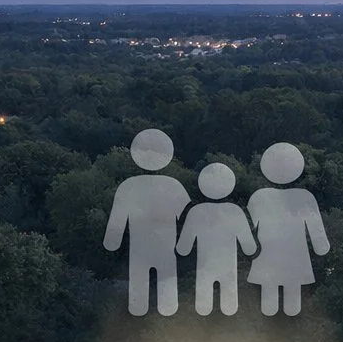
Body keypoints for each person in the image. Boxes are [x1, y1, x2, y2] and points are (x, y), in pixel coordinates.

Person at [104, 128, 189, 316]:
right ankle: (164, 319)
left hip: (140, 249)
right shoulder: (173, 185)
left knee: (138, 296)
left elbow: (116, 224)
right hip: (165, 247)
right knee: (167, 298)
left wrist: (112, 244)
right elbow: (186, 218)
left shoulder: (128, 186)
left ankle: (140, 315)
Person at [246, 142, 328, 316]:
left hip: (269, 257)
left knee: (268, 304)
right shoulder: (305, 197)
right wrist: (322, 250)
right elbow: (318, 237)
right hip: (295, 259)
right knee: (292, 303)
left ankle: (270, 328)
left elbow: (250, 230)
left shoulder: (259, 197)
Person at [175, 162, 256, 315]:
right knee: (230, 308)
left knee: (202, 309)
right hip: (228, 269)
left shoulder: (196, 212)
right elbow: (250, 248)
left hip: (205, 268)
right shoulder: (235, 212)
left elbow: (183, 249)